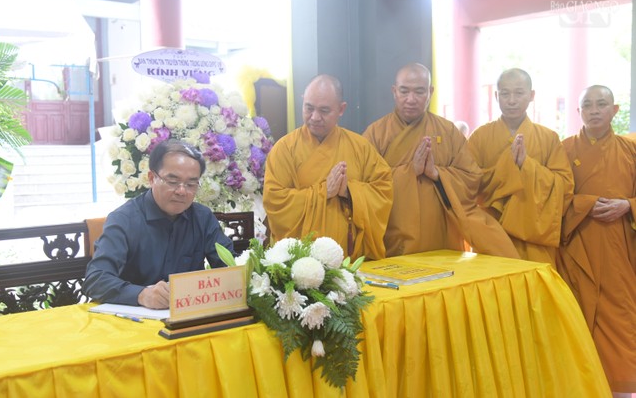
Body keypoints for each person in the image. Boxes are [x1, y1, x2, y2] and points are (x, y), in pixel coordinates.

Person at [363, 63, 520, 258]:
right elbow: (365, 188)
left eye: (419, 92)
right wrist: (410, 171)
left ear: (430, 92)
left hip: (441, 238)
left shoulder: (448, 131)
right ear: (394, 91)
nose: (411, 99)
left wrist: (437, 174)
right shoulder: (376, 134)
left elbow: (472, 179)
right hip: (392, 237)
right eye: (404, 91)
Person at [83, 139, 235, 309]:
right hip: (136, 318)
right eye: (172, 182)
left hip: (188, 315)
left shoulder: (202, 217)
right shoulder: (124, 220)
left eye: (191, 184)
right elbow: (96, 279)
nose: (182, 191)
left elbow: (231, 268)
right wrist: (141, 295)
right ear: (151, 178)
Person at [557, 85, 636, 397]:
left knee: (620, 316)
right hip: (578, 247)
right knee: (577, 315)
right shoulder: (563, 150)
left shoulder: (630, 150)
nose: (594, 110)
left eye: (601, 104)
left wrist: (628, 205)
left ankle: (620, 388)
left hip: (620, 249)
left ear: (614, 110)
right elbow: (553, 198)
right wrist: (586, 204)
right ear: (579, 112)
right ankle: (580, 386)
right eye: (587, 105)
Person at [263, 74, 393, 260]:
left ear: (341, 109)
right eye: (309, 108)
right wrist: (324, 192)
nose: (315, 117)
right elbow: (275, 202)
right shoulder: (284, 149)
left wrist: (350, 192)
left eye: (324, 110)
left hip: (349, 259)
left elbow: (383, 190)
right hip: (301, 264)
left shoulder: (360, 147)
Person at [467, 68, 574, 265]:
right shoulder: (479, 137)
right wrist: (508, 167)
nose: (511, 100)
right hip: (491, 233)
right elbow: (466, 182)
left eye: (518, 93)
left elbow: (564, 186)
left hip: (534, 236)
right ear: (496, 96)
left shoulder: (549, 138)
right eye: (505, 94)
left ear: (531, 95)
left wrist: (527, 165)